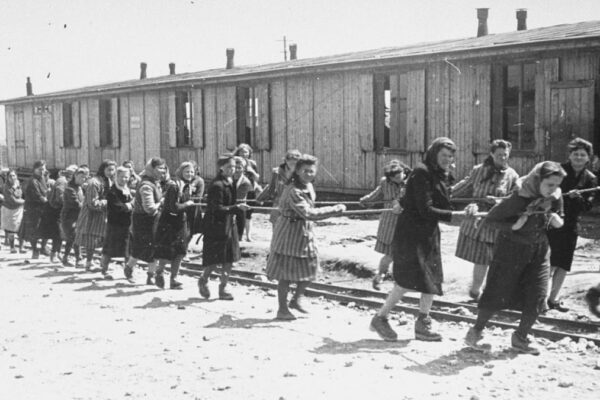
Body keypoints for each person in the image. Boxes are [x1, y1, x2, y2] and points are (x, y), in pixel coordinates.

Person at [370, 137, 476, 342]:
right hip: (411, 234)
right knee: (406, 281)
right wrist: (453, 217)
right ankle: (380, 318)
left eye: (451, 156)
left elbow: (443, 200)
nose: (447, 159)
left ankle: (422, 323)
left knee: (432, 279)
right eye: (444, 155)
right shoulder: (422, 172)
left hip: (428, 233)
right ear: (434, 153)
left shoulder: (441, 175)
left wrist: (470, 206)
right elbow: (424, 208)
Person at [465, 161, 566, 355]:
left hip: (539, 251)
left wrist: (554, 217)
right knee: (497, 291)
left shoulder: (555, 196)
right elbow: (490, 220)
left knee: (538, 293)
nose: (554, 189)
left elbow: (560, 218)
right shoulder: (519, 197)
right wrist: (514, 225)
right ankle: (476, 331)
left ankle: (521, 337)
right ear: (538, 180)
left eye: (557, 185)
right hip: (510, 251)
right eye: (550, 184)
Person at [266, 154, 346, 320]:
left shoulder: (308, 185)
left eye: (312, 171)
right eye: (305, 171)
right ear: (297, 171)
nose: (309, 174)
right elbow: (308, 213)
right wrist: (334, 210)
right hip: (289, 233)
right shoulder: (294, 190)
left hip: (304, 232)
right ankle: (282, 309)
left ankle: (295, 300)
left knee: (311, 268)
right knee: (285, 274)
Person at [452, 140, 519, 300]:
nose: (502, 158)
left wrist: (497, 201)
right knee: (482, 258)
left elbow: (515, 199)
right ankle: (476, 291)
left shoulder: (512, 175)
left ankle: (490, 291)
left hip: (498, 221)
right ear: (491, 154)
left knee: (497, 259)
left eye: (505, 155)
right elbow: (464, 187)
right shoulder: (479, 170)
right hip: (478, 221)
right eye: (499, 155)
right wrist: (444, 193)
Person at [546, 138, 597, 312]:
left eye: (583, 155)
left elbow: (588, 206)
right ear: (569, 155)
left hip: (571, 225)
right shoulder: (559, 171)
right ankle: (539, 297)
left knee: (563, 263)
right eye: (575, 154)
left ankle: (553, 299)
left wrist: (579, 198)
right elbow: (547, 191)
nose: (579, 157)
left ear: (588, 158)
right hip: (552, 221)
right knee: (549, 261)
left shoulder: (590, 179)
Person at [197, 154, 250, 300]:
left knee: (229, 258)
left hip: (229, 224)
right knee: (215, 259)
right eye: (229, 167)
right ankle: (203, 280)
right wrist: (236, 207)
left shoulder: (230, 181)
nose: (232, 170)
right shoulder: (217, 185)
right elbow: (216, 208)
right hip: (216, 226)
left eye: (234, 167)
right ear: (221, 167)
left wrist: (235, 209)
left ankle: (223, 288)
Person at [360, 160, 409, 290]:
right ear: (390, 178)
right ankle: (380, 275)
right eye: (396, 178)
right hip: (390, 223)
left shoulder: (412, 182)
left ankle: (401, 281)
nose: (399, 179)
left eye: (401, 176)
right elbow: (375, 195)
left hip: (407, 223)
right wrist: (365, 201)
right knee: (391, 254)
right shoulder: (385, 183)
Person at [153, 161, 198, 289]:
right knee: (167, 251)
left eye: (191, 172)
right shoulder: (174, 186)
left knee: (181, 251)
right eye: (186, 172)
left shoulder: (188, 186)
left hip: (181, 222)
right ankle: (159, 273)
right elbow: (173, 207)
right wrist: (187, 204)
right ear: (180, 172)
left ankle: (174, 279)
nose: (189, 174)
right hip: (169, 223)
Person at [124, 157, 166, 283]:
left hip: (153, 220)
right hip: (143, 220)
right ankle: (129, 268)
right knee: (140, 248)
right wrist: (161, 202)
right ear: (152, 169)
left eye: (164, 168)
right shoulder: (146, 185)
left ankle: (150, 276)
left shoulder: (155, 182)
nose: (163, 171)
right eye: (159, 168)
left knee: (154, 248)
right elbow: (149, 208)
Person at [74, 160, 116, 270]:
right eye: (109, 170)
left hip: (101, 214)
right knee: (90, 239)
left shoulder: (108, 181)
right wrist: (108, 202)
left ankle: (99, 263)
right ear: (103, 169)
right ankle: (88, 263)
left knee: (98, 239)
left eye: (113, 170)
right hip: (91, 215)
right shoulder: (94, 183)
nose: (111, 172)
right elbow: (92, 203)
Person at [100, 166, 134, 280]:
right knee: (109, 248)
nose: (124, 179)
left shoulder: (127, 189)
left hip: (126, 223)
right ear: (116, 177)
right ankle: (104, 270)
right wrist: (131, 204)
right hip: (114, 224)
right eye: (122, 177)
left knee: (128, 248)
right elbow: (118, 207)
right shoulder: (112, 191)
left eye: (126, 177)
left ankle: (129, 272)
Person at [41, 165, 78, 262]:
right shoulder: (63, 181)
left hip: (58, 209)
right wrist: (70, 203)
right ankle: (54, 255)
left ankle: (57, 254)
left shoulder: (66, 181)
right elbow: (60, 197)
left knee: (59, 233)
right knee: (57, 234)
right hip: (55, 210)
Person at [256, 149, 302, 224]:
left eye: (295, 163)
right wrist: (261, 198)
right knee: (276, 227)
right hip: (279, 203)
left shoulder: (300, 173)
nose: (293, 165)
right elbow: (271, 187)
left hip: (294, 204)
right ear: (286, 161)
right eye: (290, 161)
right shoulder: (277, 172)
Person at [19, 160, 48, 259]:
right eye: (40, 169)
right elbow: (38, 195)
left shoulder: (42, 178)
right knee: (34, 230)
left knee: (45, 229)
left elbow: (46, 191)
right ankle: (35, 250)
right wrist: (47, 200)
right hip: (33, 209)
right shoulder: (32, 181)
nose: (42, 171)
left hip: (42, 208)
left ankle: (43, 248)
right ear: (34, 169)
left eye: (43, 169)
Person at [233, 143, 261, 241]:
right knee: (237, 212)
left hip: (250, 190)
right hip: (238, 190)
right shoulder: (235, 162)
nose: (244, 154)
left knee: (248, 214)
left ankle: (248, 236)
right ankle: (237, 235)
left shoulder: (252, 163)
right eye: (241, 152)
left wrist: (251, 171)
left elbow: (257, 178)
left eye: (246, 152)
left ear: (249, 153)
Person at [60, 167, 87, 267]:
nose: (83, 180)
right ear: (75, 176)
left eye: (85, 178)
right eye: (81, 177)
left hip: (77, 217)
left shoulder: (80, 188)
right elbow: (77, 205)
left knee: (72, 238)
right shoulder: (69, 189)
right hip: (68, 218)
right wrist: (86, 204)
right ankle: (77, 259)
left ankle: (66, 258)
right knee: (74, 237)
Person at [1, 169, 25, 253]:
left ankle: (21, 248)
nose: (12, 177)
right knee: (10, 229)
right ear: (7, 178)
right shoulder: (6, 187)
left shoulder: (17, 183)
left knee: (21, 228)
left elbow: (20, 193)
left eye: (13, 175)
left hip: (18, 209)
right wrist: (25, 201)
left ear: (16, 176)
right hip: (9, 209)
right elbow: (12, 200)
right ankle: (12, 247)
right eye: (10, 176)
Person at [233, 156, 253, 238]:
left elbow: (238, 198)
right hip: (228, 208)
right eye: (235, 167)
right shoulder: (228, 178)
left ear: (243, 169)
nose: (237, 170)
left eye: (239, 168)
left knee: (237, 237)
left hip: (239, 209)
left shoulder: (245, 182)